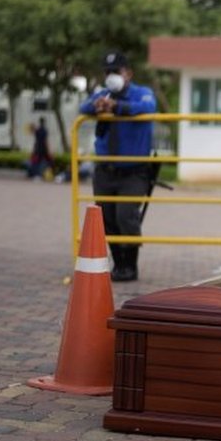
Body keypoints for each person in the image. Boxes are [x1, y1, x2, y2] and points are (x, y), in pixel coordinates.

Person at [79, 51, 157, 282]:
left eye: (116, 71)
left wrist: (118, 107)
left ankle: (130, 265)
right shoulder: (102, 94)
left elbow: (148, 106)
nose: (111, 76)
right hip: (105, 169)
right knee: (107, 219)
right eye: (107, 72)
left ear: (128, 73)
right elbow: (84, 108)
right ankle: (119, 264)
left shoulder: (142, 93)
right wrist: (99, 106)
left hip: (134, 170)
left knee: (126, 215)